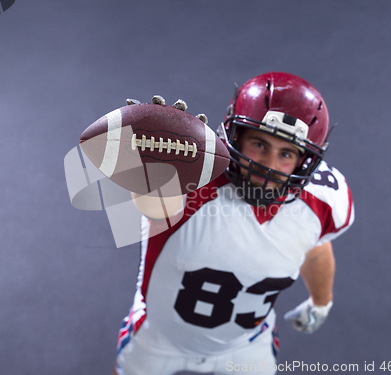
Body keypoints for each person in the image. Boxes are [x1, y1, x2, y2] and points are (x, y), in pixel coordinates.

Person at [113, 72, 354, 374]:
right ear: (236, 135)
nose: (269, 166)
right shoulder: (192, 178)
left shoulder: (319, 203)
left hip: (246, 345)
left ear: (304, 161)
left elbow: (316, 250)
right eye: (260, 145)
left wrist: (322, 302)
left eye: (287, 153)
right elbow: (156, 204)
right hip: (158, 338)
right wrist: (146, 173)